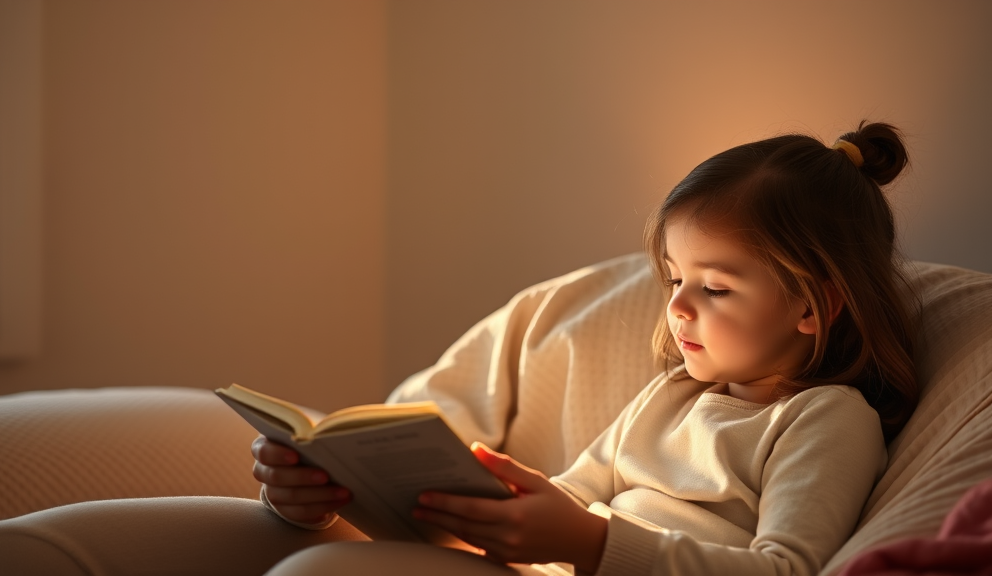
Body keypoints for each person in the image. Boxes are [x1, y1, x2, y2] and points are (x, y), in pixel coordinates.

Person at [253, 121, 919, 575]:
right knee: (322, 562)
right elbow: (572, 496)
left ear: (814, 306)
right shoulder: (672, 395)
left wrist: (596, 544)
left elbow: (787, 569)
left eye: (715, 288)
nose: (678, 306)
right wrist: (364, 489)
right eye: (675, 280)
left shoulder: (825, 419)